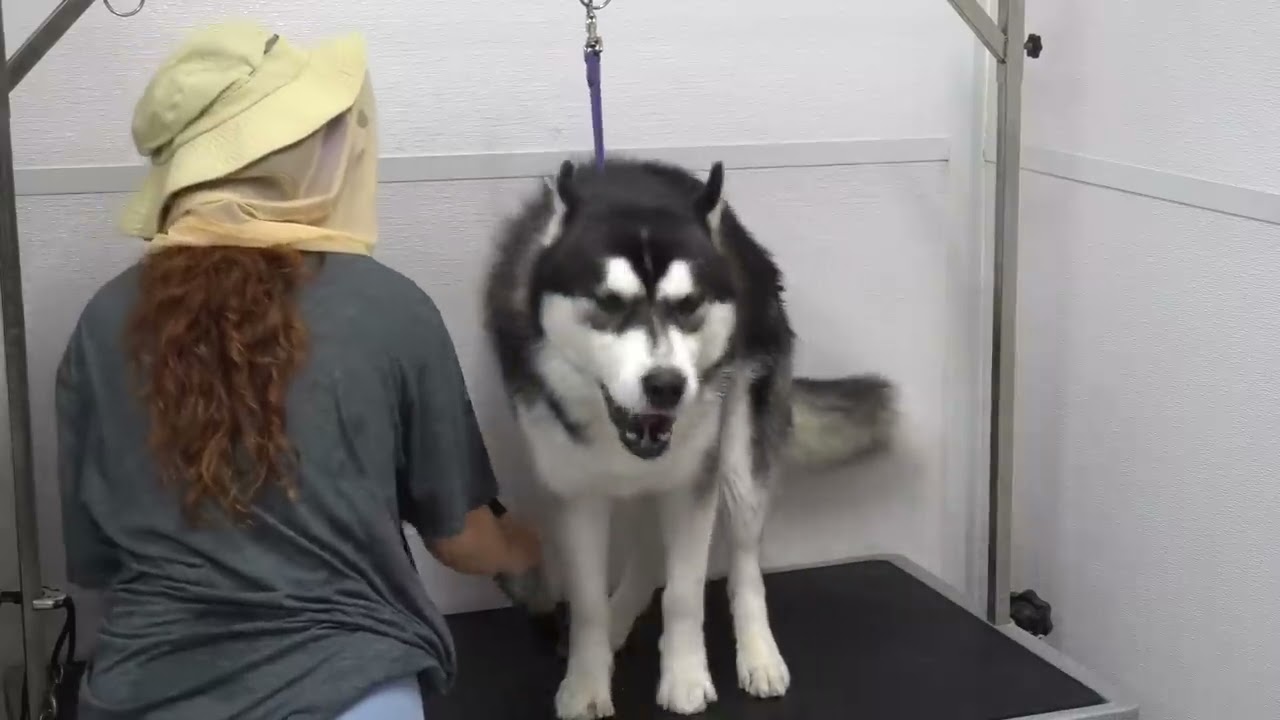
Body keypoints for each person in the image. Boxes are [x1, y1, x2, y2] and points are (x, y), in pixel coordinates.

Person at [55, 21, 539, 720]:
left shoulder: (104, 320)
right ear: (305, 154)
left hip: (137, 691)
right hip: (348, 687)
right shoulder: (391, 309)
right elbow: (461, 542)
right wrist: (537, 548)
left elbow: (95, 560)